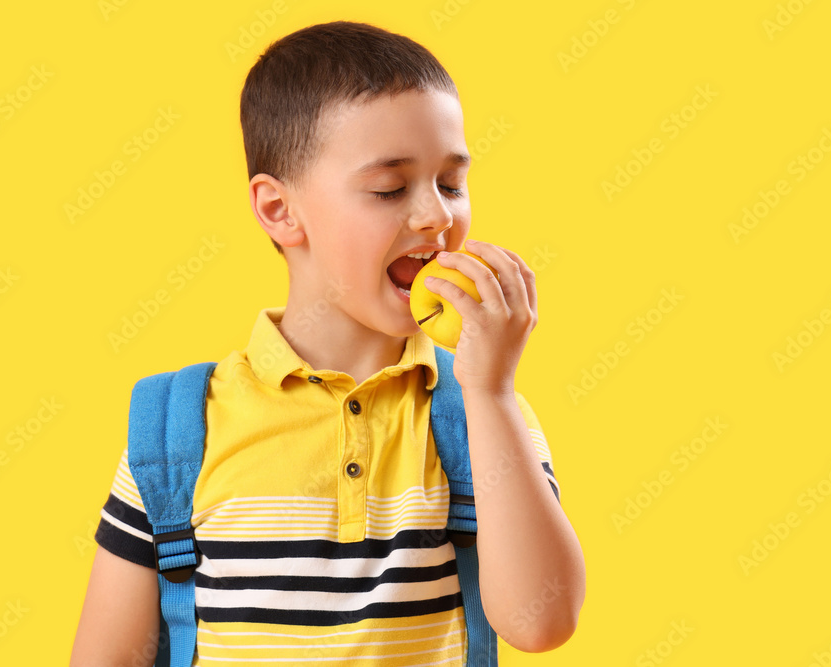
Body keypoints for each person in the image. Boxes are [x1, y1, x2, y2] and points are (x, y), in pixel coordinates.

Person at [70, 20, 585, 666]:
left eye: (451, 184)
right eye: (391, 188)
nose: (437, 216)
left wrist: (491, 390)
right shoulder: (178, 432)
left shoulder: (481, 414)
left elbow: (542, 622)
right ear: (280, 211)